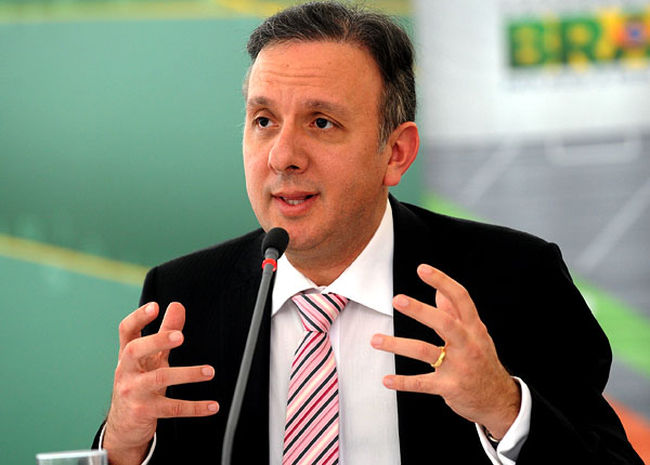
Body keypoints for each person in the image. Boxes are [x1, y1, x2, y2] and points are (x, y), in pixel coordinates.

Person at [94, 2, 643, 464]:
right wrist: (121, 444)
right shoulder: (184, 299)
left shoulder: (513, 280)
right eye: (263, 121)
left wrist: (504, 408)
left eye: (321, 122)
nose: (282, 156)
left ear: (396, 153)